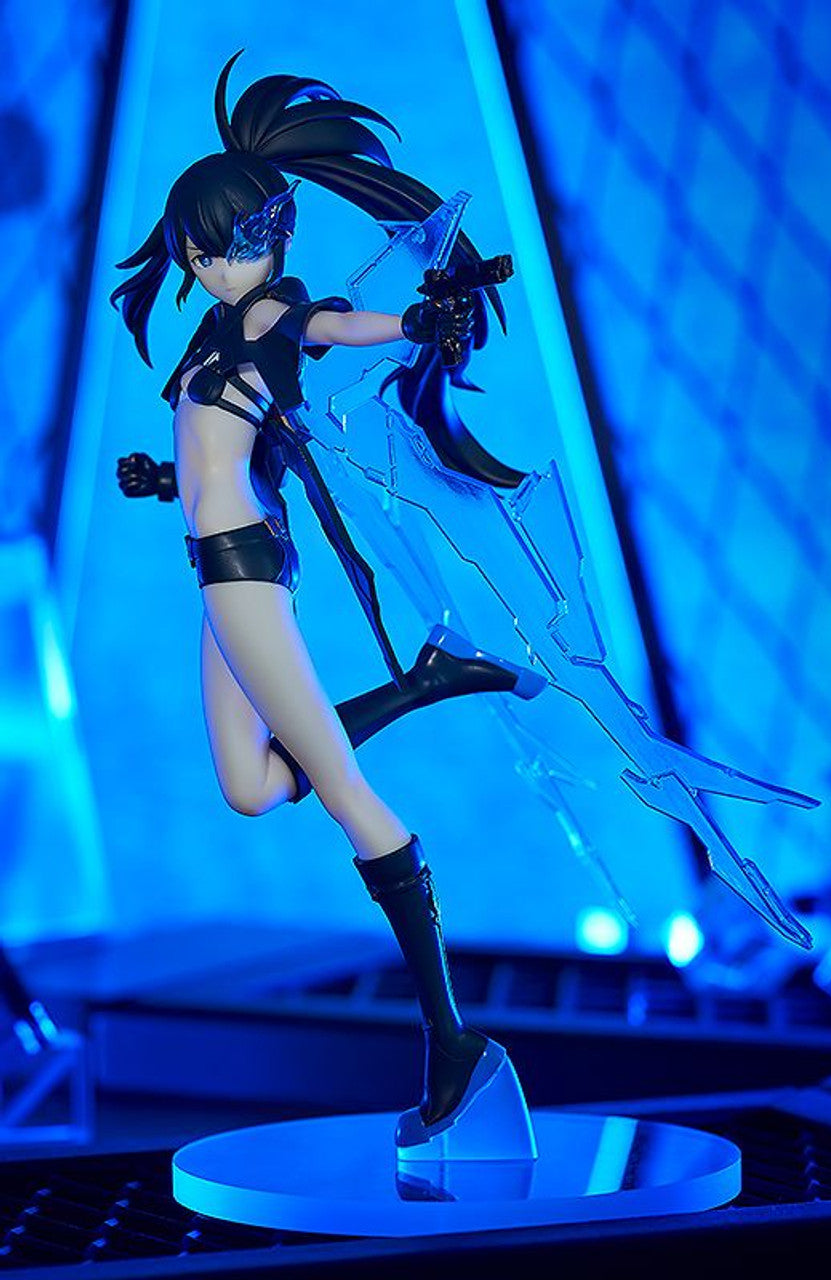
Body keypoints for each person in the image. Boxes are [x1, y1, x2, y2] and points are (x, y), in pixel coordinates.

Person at [112, 52, 538, 1161]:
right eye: (202, 249)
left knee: (348, 795)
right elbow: (225, 441)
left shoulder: (273, 310)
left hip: (246, 571)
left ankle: (452, 1044)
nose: (214, 265)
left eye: (235, 243)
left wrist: (416, 324)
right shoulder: (217, 329)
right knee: (252, 788)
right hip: (214, 564)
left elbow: (334, 329)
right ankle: (429, 679)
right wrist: (164, 478)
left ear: (273, 232)